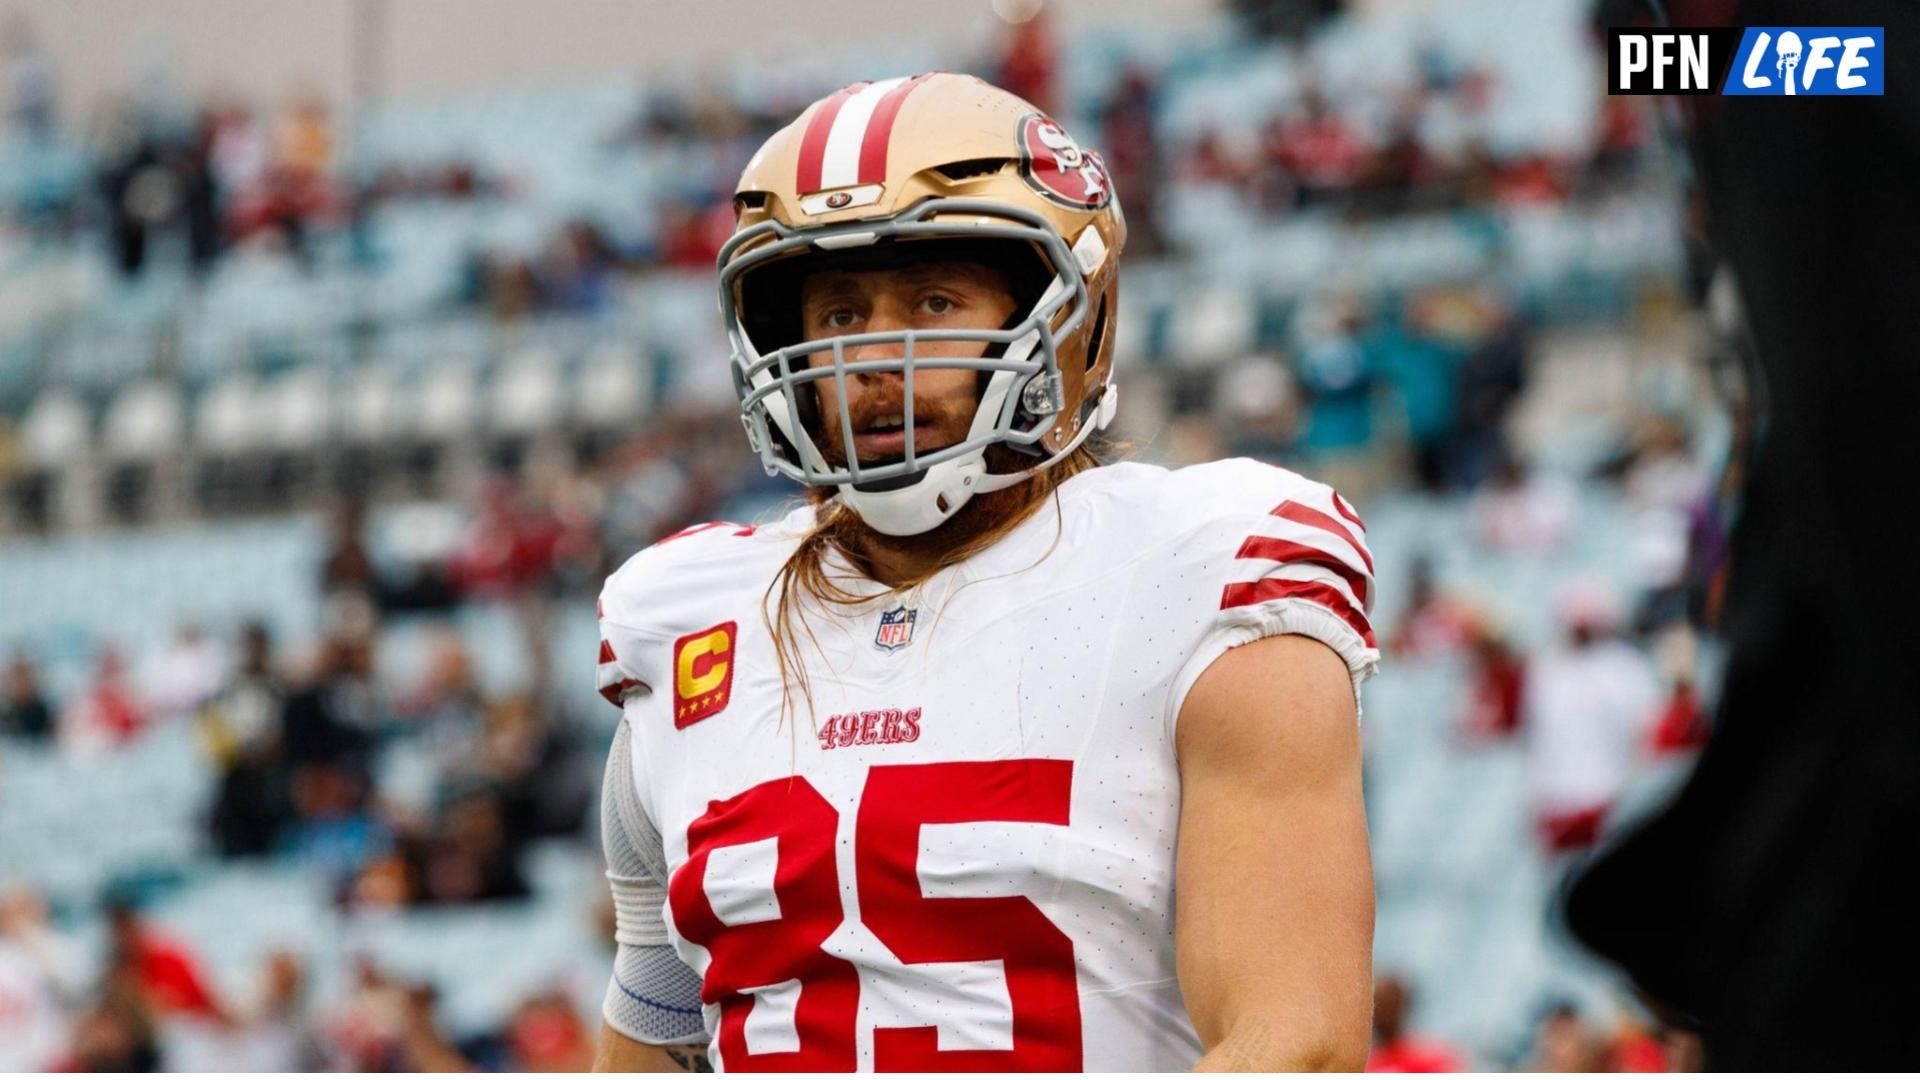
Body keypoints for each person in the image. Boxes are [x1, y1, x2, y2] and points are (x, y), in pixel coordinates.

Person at [592, 74, 1378, 1072]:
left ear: (1068, 319)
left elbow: (1292, 1043)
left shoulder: (1204, 563)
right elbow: (655, 1028)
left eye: (933, 300)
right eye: (836, 312)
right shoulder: (683, 620)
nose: (871, 357)